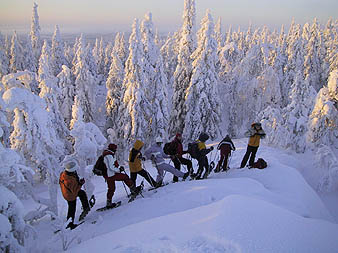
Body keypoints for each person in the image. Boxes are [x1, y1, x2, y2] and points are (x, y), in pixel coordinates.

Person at [59, 161, 91, 229]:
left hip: (67, 192)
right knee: (72, 209)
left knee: (82, 193)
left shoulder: (65, 174)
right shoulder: (69, 180)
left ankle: (86, 207)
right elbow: (75, 190)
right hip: (70, 195)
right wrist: (80, 184)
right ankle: (70, 224)